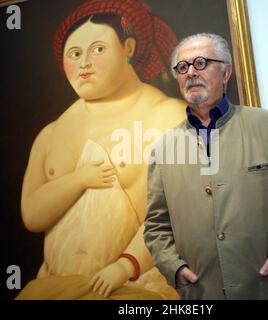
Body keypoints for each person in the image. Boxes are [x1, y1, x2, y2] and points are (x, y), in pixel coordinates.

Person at [17, 0, 186, 300]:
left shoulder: (168, 117)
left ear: (129, 48)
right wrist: (78, 179)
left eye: (97, 49)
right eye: (75, 54)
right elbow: (32, 215)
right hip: (53, 288)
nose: (84, 64)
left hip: (136, 288)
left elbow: (179, 211)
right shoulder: (51, 134)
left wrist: (124, 266)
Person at [143, 33, 268, 300]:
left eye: (201, 62)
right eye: (183, 67)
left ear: (226, 72)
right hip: (201, 293)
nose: (191, 72)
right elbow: (156, 225)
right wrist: (174, 267)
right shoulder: (163, 150)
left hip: (267, 290)